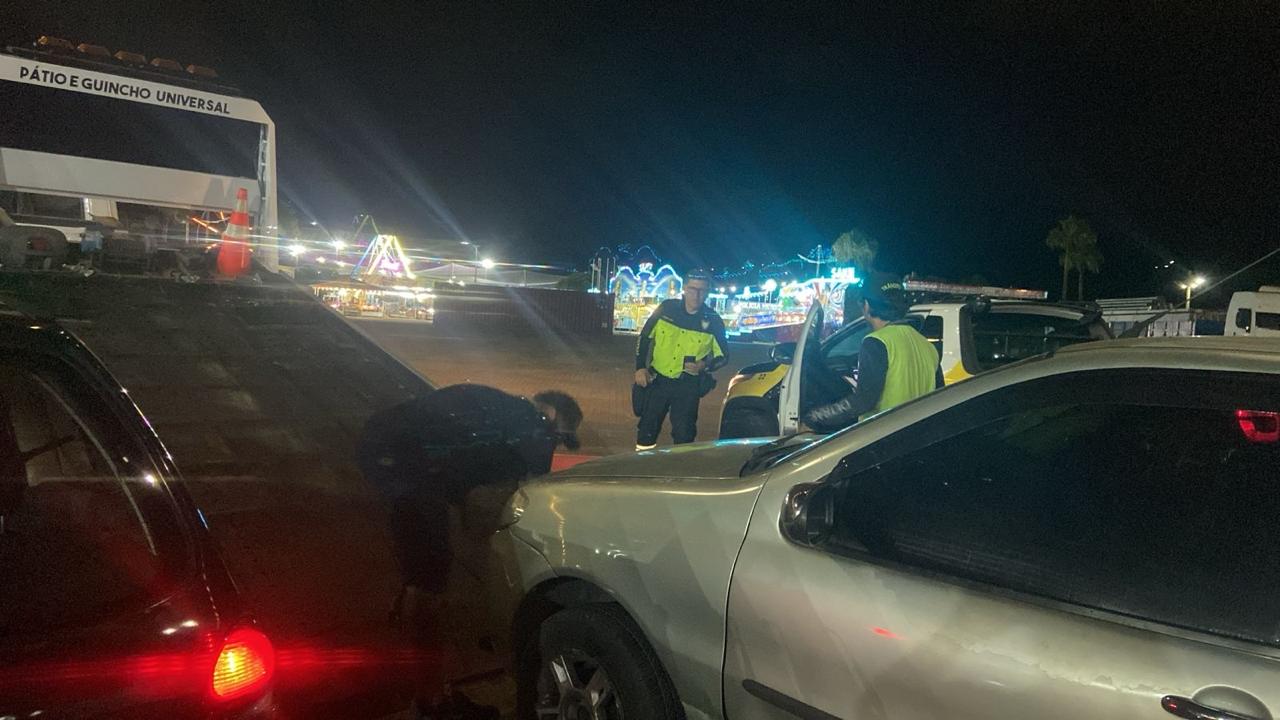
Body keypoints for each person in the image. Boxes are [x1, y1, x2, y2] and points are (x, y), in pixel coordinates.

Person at [356, 384, 581, 719]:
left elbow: (466, 473)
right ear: (551, 414)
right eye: (559, 438)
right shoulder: (533, 423)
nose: (553, 445)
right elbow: (535, 491)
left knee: (426, 568)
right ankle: (430, 703)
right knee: (429, 584)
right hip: (407, 468)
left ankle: (426, 678)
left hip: (393, 455)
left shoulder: (499, 414)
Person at [804, 275, 942, 433]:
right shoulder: (926, 345)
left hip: (883, 435)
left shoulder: (876, 342)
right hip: (916, 435)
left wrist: (815, 417)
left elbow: (864, 400)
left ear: (867, 305)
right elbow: (939, 397)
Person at [633, 268, 729, 450]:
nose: (697, 295)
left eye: (702, 290)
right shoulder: (666, 309)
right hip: (657, 381)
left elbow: (724, 356)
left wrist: (704, 365)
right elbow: (644, 338)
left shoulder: (714, 321)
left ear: (708, 292)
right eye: (692, 289)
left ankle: (680, 467)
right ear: (684, 288)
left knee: (684, 436)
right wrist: (640, 367)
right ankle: (642, 462)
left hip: (687, 387)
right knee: (646, 431)